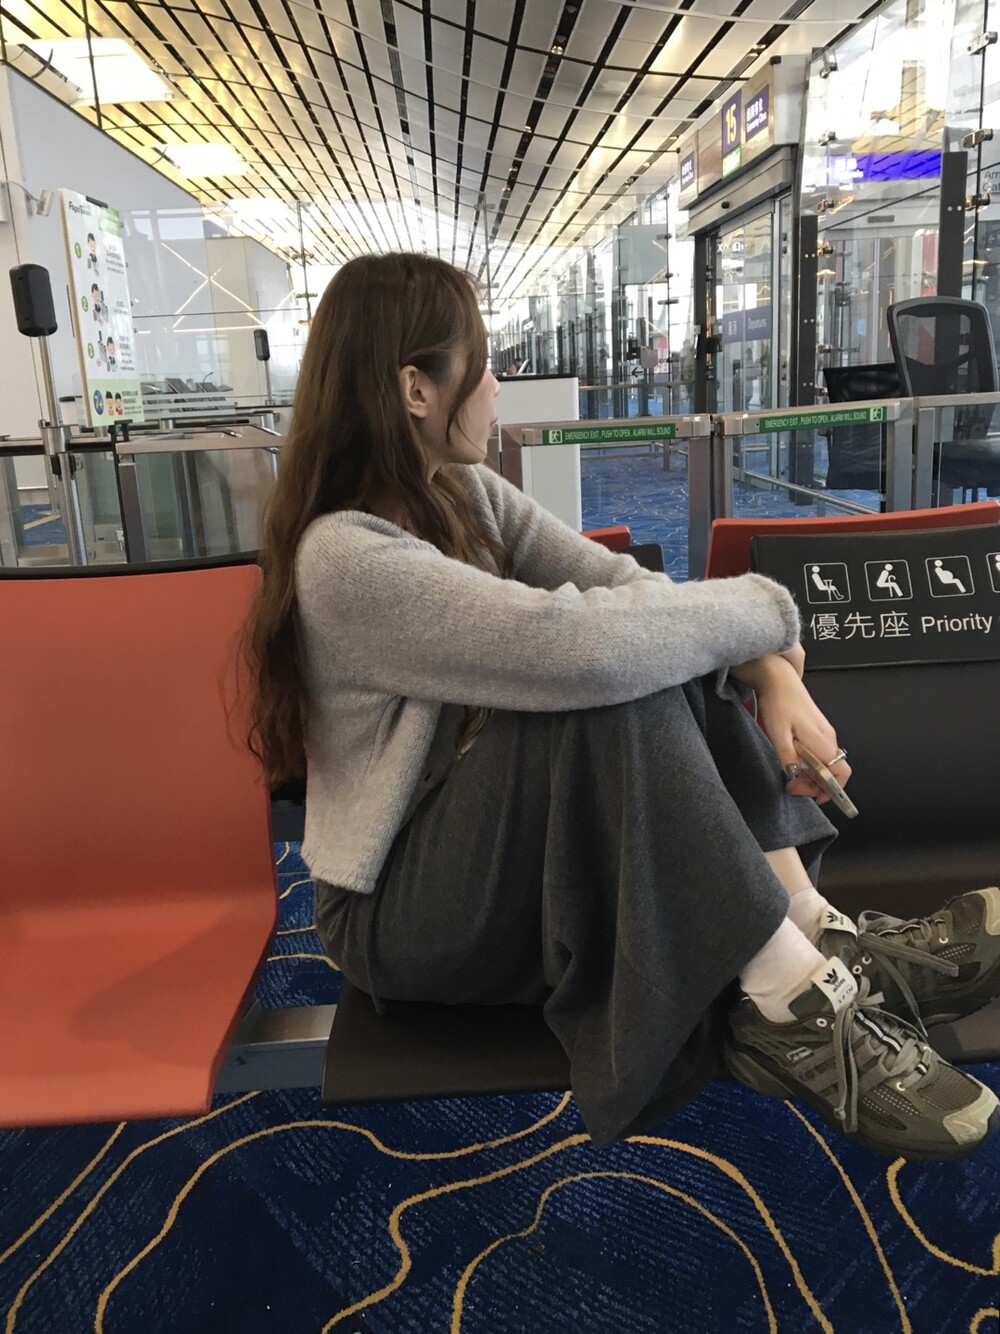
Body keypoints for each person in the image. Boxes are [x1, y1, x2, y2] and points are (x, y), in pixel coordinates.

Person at [241, 252, 1000, 1161]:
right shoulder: (346, 557)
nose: (496, 387)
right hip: (398, 914)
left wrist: (768, 671)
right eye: (482, 363)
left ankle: (809, 933)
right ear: (415, 388)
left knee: (656, 646)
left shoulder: (464, 496)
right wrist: (767, 618)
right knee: (613, 676)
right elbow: (591, 651)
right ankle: (788, 999)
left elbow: (629, 588)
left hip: (500, 855)